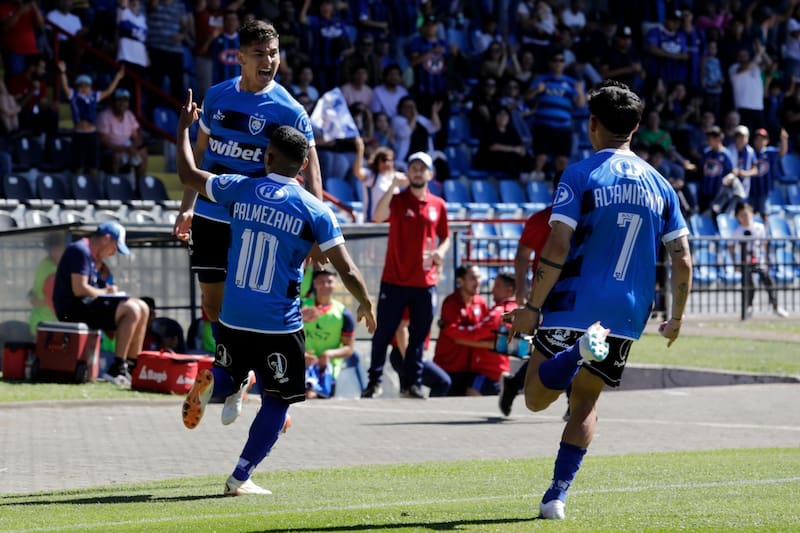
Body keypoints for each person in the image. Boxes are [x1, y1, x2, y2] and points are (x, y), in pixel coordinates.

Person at [505, 80, 692, 520]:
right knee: (586, 403)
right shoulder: (662, 185)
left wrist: (532, 307)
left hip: (574, 301)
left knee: (535, 398)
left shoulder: (580, 174)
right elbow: (682, 259)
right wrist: (676, 318)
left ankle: (575, 352)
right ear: (636, 127)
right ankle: (556, 497)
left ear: (592, 124)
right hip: (626, 312)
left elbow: (557, 244)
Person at [176, 91, 376, 496]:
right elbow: (348, 270)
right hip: (278, 322)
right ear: (303, 165)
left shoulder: (240, 187)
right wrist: (366, 302)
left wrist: (184, 129)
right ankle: (240, 477)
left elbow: (189, 173)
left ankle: (216, 379)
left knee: (230, 371)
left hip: (233, 313)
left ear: (266, 157)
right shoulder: (315, 211)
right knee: (278, 401)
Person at [173, 19, 324, 335]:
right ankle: (231, 359)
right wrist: (187, 206)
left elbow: (312, 171)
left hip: (256, 218)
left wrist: (315, 231)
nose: (269, 61)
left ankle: (245, 358)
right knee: (212, 305)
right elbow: (200, 155)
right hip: (210, 213)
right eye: (259, 53)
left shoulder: (290, 110)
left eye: (274, 53)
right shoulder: (217, 96)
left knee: (252, 302)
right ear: (240, 57)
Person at [362, 151, 450, 399]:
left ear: (430, 174)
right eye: (413, 168)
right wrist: (392, 186)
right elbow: (378, 216)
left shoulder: (438, 204)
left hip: (424, 281)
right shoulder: (398, 200)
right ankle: (374, 383)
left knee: (419, 336)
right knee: (383, 333)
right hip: (394, 279)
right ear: (407, 172)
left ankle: (413, 383)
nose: (417, 172)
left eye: (422, 168)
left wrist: (440, 252)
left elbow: (446, 236)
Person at [52, 222, 151, 384]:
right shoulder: (79, 250)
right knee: (131, 309)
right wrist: (107, 293)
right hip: (72, 309)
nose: (113, 253)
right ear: (106, 239)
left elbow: (93, 286)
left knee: (143, 307)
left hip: (87, 305)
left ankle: (132, 367)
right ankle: (117, 368)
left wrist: (107, 288)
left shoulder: (92, 256)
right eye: (114, 248)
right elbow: (79, 289)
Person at [498, 199, 554, 417]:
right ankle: (574, 402)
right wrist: (521, 288)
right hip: (549, 293)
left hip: (578, 291)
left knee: (566, 344)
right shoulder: (542, 219)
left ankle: (514, 384)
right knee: (557, 345)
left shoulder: (586, 217)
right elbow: (523, 253)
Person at [444, 271, 518, 396]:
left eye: (497, 286)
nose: (493, 290)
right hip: (498, 368)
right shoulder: (514, 309)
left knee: (470, 402)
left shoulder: (500, 312)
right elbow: (505, 343)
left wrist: (450, 329)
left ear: (509, 291)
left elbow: (476, 333)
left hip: (487, 370)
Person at [302, 269, 367, 399]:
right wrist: (301, 355)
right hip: (301, 365)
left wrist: (328, 354)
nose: (325, 285)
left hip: (328, 370)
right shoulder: (301, 307)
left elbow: (349, 348)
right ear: (314, 283)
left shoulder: (343, 313)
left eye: (329, 281)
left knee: (319, 399)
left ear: (336, 284)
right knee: (305, 396)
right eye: (321, 281)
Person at [57, 60, 125, 177]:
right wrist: (63, 72)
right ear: (77, 87)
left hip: (91, 134)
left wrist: (117, 78)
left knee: (93, 166)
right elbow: (65, 86)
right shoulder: (74, 96)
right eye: (81, 86)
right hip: (79, 134)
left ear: (90, 87)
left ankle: (93, 186)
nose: (84, 88)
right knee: (78, 166)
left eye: (87, 86)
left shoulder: (94, 96)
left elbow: (109, 91)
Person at [432, 264, 489, 396]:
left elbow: (484, 330)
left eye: (479, 277)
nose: (478, 282)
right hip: (448, 368)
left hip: (470, 369)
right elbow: (454, 333)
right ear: (460, 281)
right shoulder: (451, 302)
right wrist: (476, 334)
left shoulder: (481, 302)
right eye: (473, 278)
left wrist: (473, 334)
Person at [728, 202, 788, 319]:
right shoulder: (737, 232)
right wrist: (735, 263)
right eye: (741, 215)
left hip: (758, 260)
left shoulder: (759, 228)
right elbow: (730, 246)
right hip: (745, 262)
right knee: (750, 285)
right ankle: (749, 306)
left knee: (768, 281)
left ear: (752, 214)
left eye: (746, 215)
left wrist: (765, 259)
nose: (744, 218)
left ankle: (776, 306)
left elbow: (764, 244)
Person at [97, 88, 148, 178]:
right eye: (119, 100)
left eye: (125, 100)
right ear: (113, 102)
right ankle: (115, 183)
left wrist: (134, 148)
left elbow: (135, 137)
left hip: (127, 147)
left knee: (143, 153)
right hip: (110, 149)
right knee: (116, 156)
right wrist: (124, 149)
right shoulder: (104, 116)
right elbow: (103, 142)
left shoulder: (129, 115)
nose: (122, 103)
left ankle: (140, 183)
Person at [28, 232, 66, 336]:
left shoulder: (45, 264)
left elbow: (34, 292)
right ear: (53, 251)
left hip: (40, 324)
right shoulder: (53, 271)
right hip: (48, 326)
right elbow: (53, 301)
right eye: (61, 249)